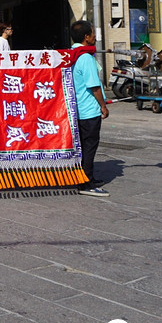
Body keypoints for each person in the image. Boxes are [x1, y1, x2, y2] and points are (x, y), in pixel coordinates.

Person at [70, 20, 110, 198]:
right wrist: (103, 105)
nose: (95, 36)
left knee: (83, 146)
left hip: (77, 108)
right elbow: (94, 86)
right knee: (89, 146)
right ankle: (85, 182)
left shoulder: (73, 53)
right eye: (93, 33)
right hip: (88, 109)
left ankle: (88, 177)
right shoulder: (85, 57)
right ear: (86, 37)